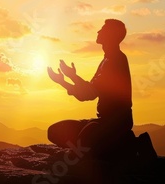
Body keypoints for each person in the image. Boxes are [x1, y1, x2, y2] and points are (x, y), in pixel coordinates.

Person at [47, 19, 135, 160]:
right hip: (103, 121)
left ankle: (126, 144)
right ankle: (112, 145)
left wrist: (69, 78)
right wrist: (67, 79)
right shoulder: (106, 60)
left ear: (111, 35)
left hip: (115, 124)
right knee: (55, 131)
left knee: (85, 140)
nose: (98, 31)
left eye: (103, 29)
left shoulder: (115, 60)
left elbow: (89, 93)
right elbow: (88, 92)